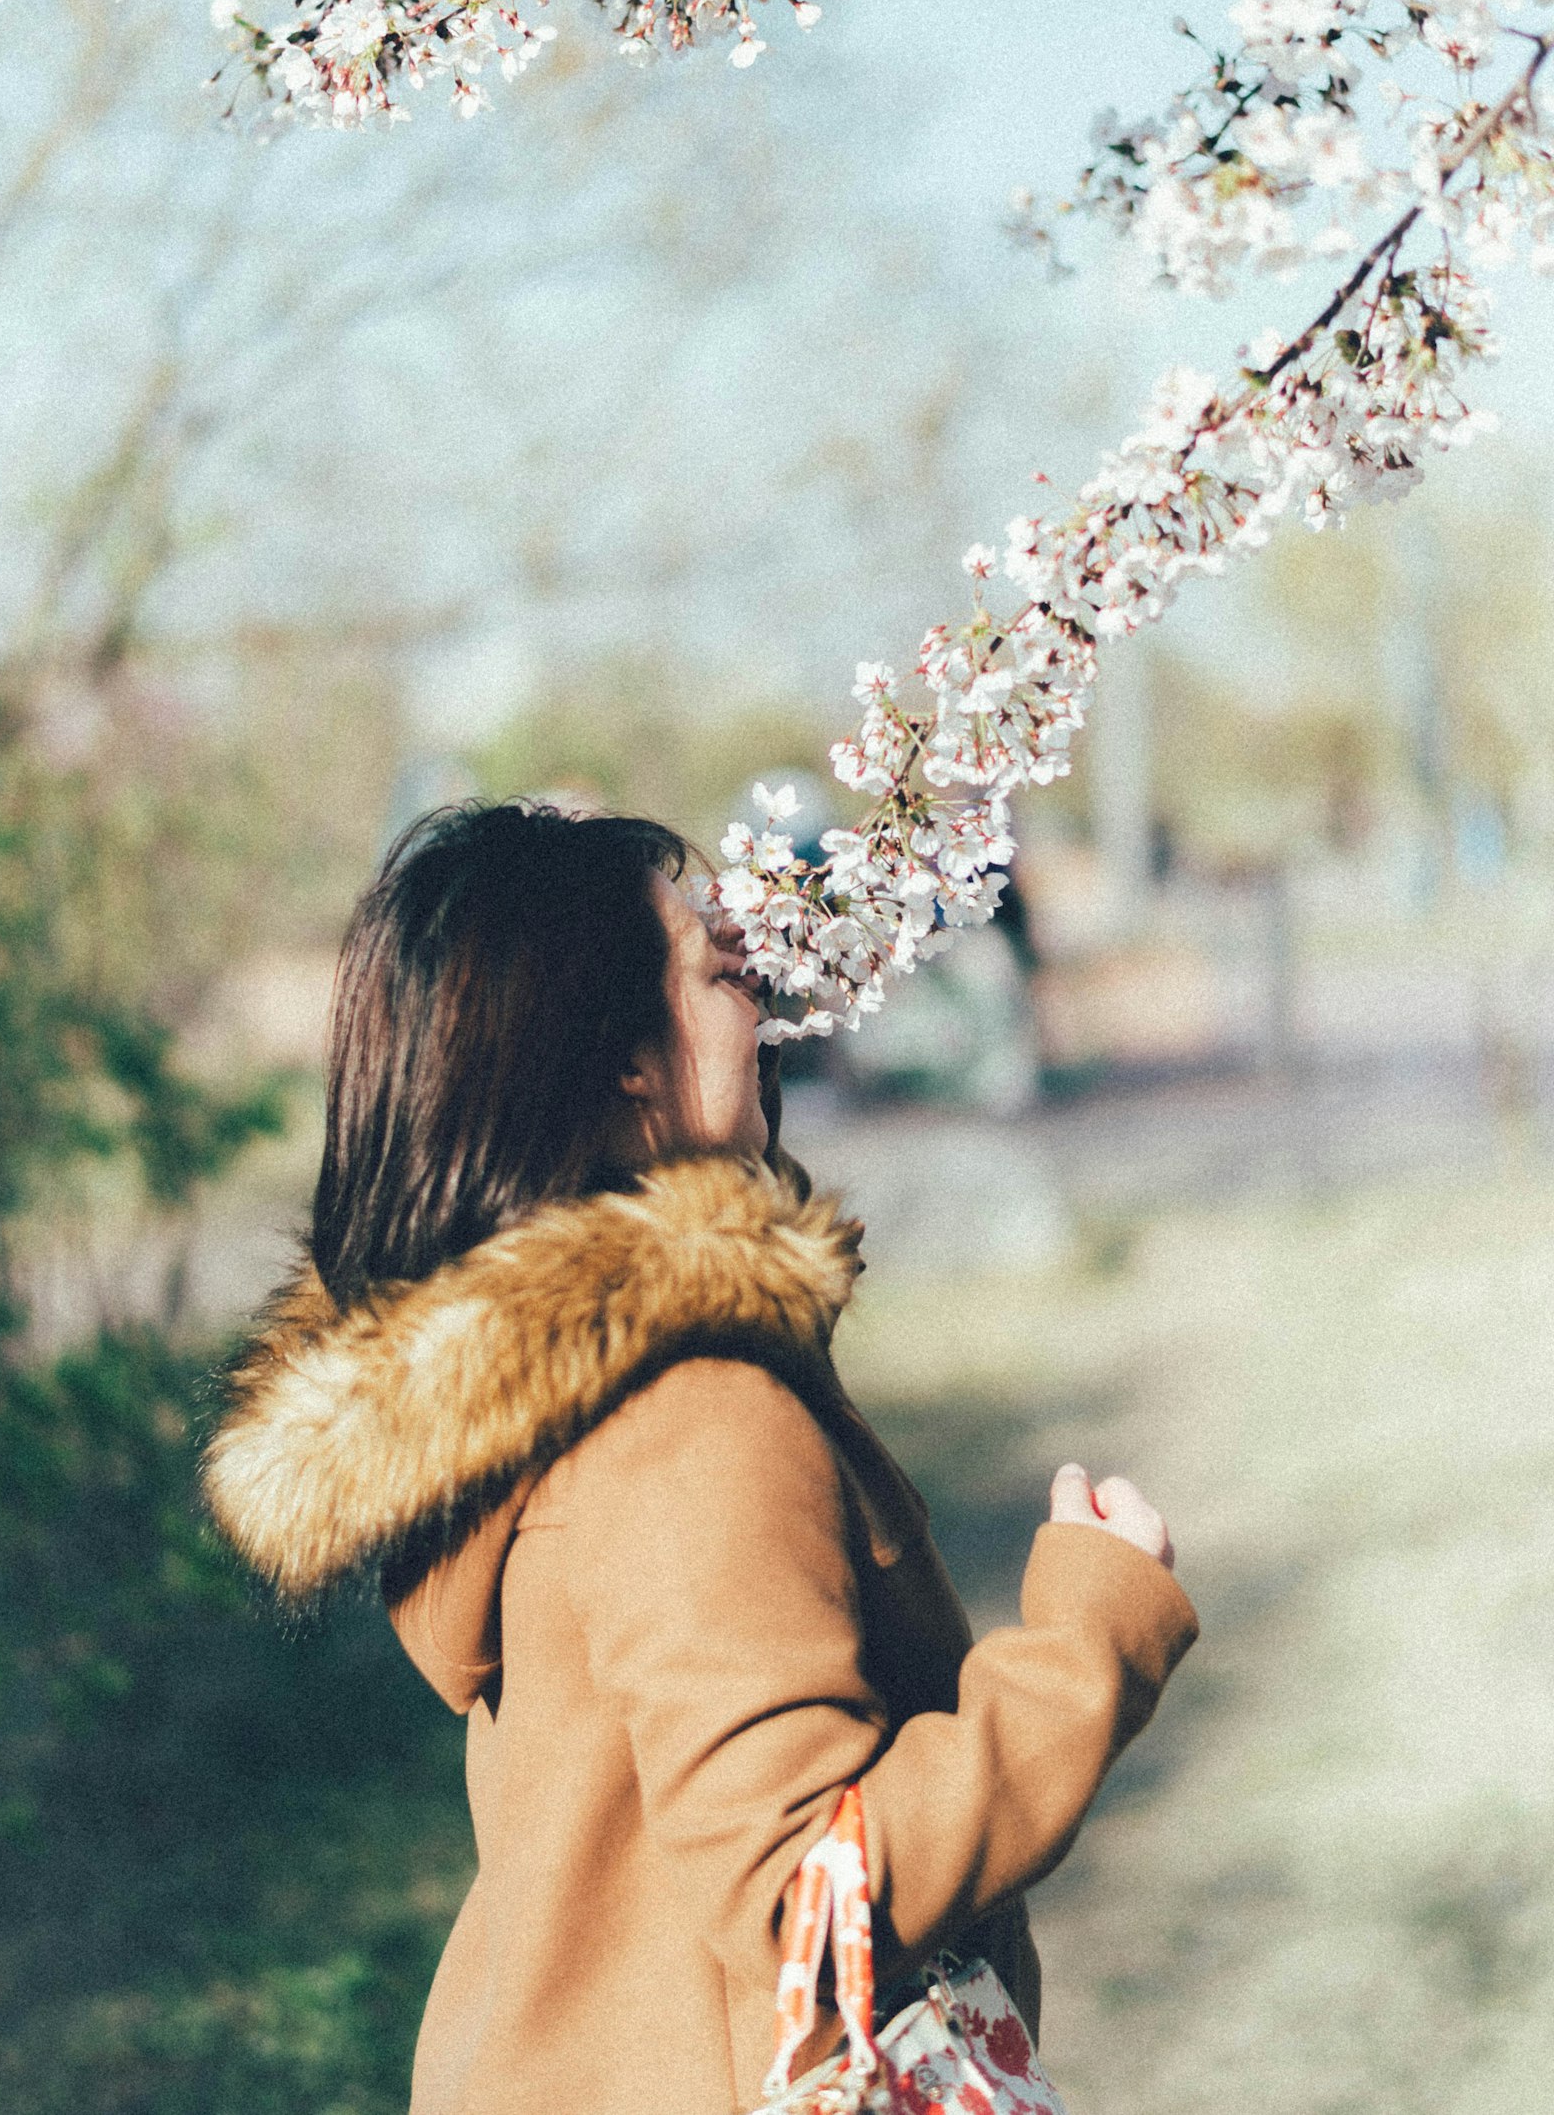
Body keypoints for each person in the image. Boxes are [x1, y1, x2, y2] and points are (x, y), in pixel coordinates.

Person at [203, 800, 1198, 2115]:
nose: (768, 1014)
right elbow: (808, 1896)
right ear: (621, 1056)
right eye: (726, 974)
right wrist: (1092, 1639)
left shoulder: (528, 1415)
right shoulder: (684, 1417)